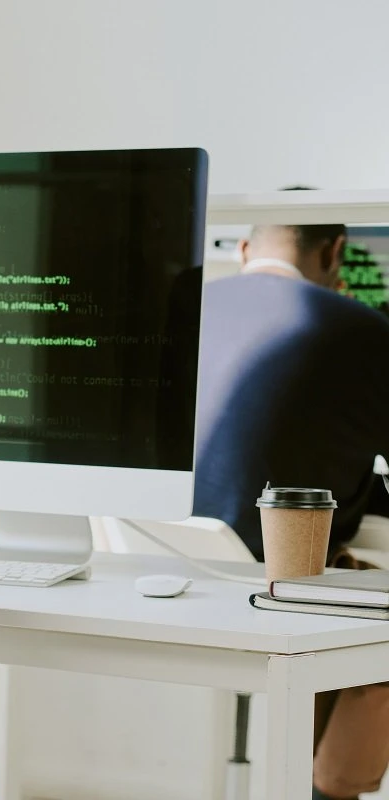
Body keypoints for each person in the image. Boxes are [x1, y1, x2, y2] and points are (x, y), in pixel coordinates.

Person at [193, 217, 389, 800]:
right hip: (277, 574)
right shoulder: (364, 328)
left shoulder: (185, 308)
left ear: (247, 247)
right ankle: (333, 788)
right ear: (336, 252)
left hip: (160, 557)